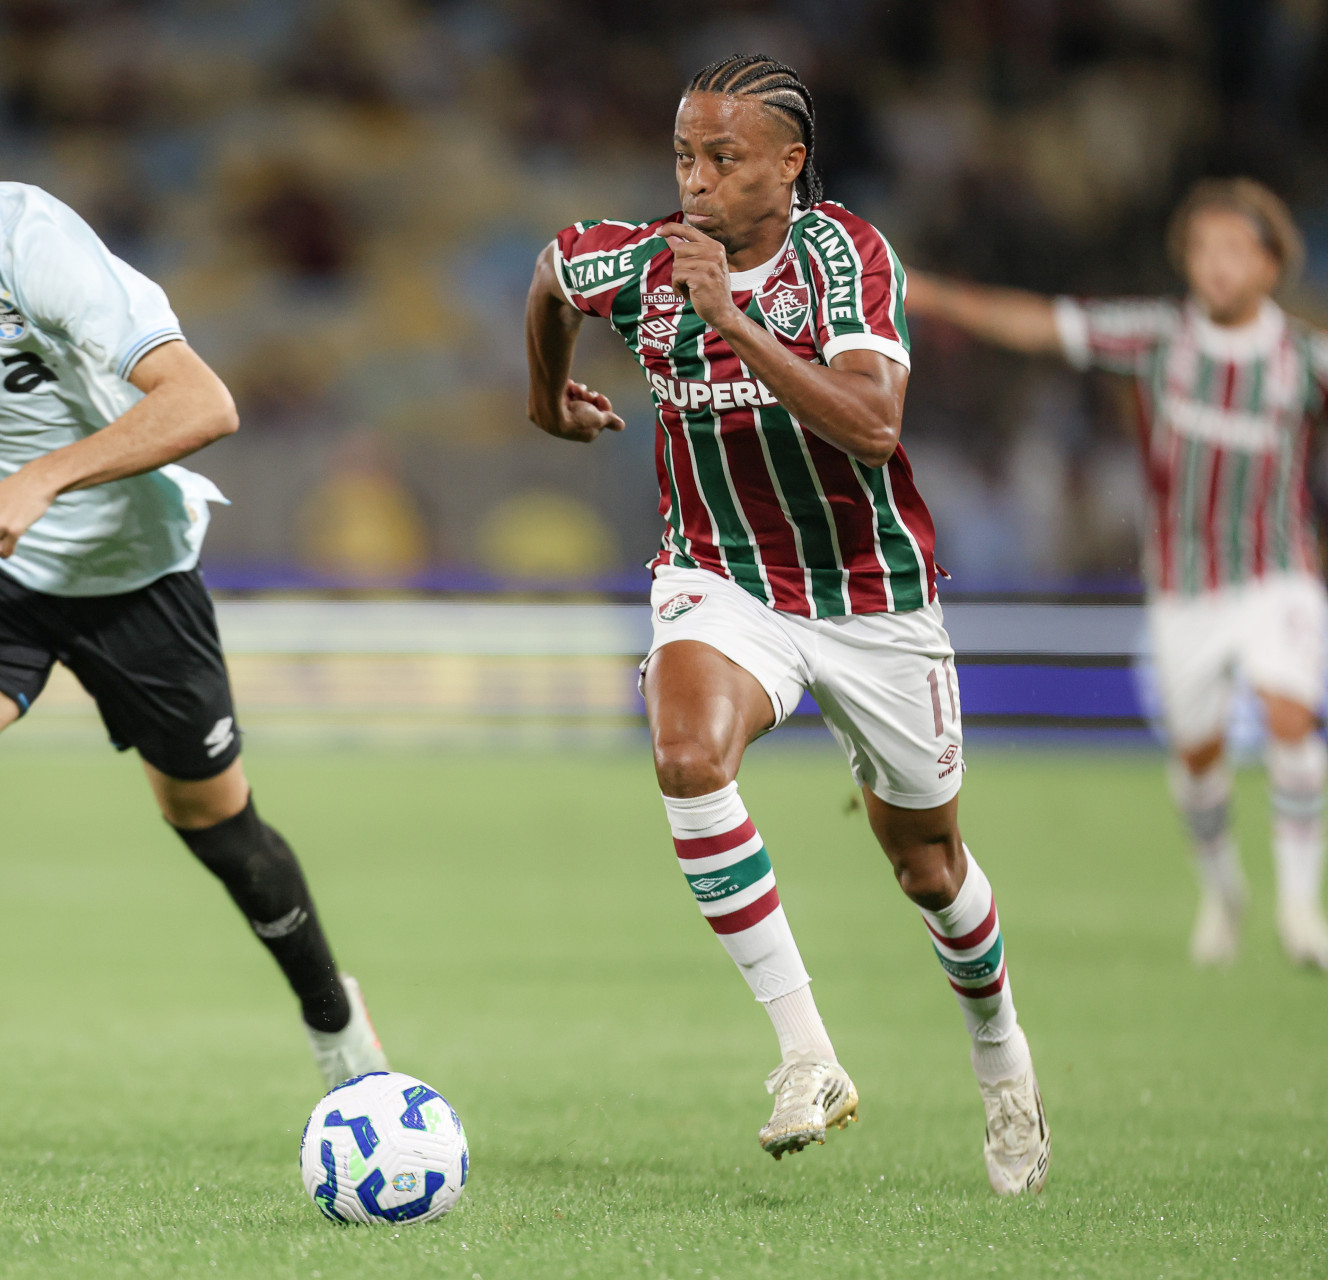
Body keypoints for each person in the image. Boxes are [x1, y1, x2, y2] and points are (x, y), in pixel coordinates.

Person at [0, 101, 387, 1158]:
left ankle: (338, 1027)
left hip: (132, 571)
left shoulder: (47, 255)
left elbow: (206, 403)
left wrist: (43, 479)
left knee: (216, 827)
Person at [523, 54, 1048, 1195]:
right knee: (684, 753)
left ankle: (1003, 1057)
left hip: (869, 594)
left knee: (928, 865)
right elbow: (555, 271)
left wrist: (734, 322)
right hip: (720, 575)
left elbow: (870, 425)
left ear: (789, 162)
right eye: (682, 158)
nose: (696, 182)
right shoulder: (646, 262)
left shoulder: (846, 257)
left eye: (723, 158)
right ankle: (807, 1054)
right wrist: (544, 396)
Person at [907, 178, 1328, 970]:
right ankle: (1223, 891)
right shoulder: (1159, 336)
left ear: (1272, 265)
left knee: (1289, 715)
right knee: (1198, 759)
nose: (1215, 266)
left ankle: (1304, 910)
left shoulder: (1303, 359)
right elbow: (1038, 324)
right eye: (1202, 249)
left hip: (1280, 572)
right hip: (1183, 584)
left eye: (1235, 250)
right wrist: (932, 294)